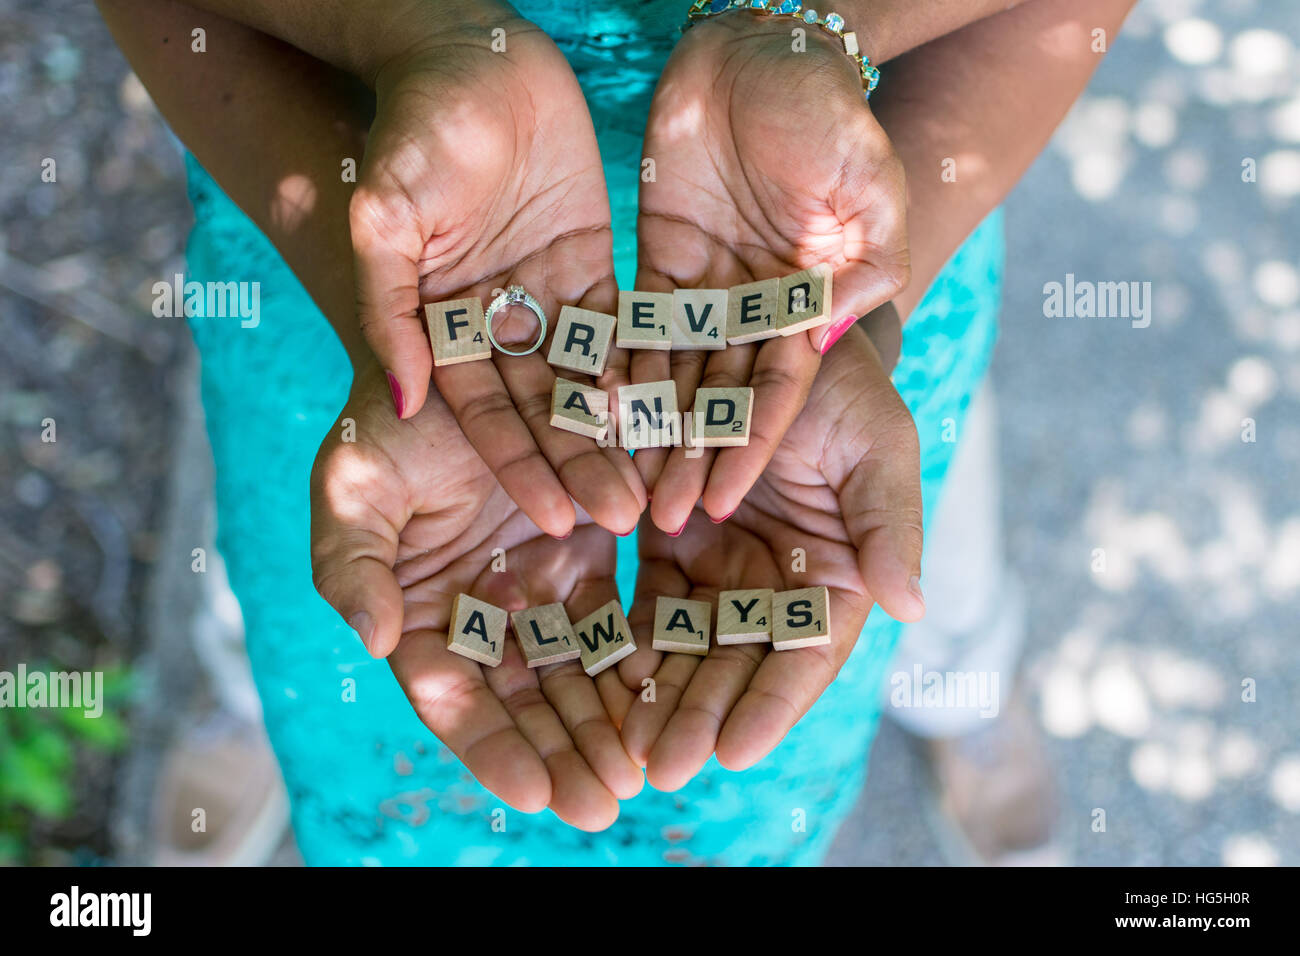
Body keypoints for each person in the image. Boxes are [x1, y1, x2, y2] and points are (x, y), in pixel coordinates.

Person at [97, 0, 1135, 864]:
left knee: (901, 534)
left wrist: (819, 45)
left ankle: (964, 678)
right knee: (319, 552)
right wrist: (406, 57)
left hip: (831, 280)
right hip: (366, 264)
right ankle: (241, 687)